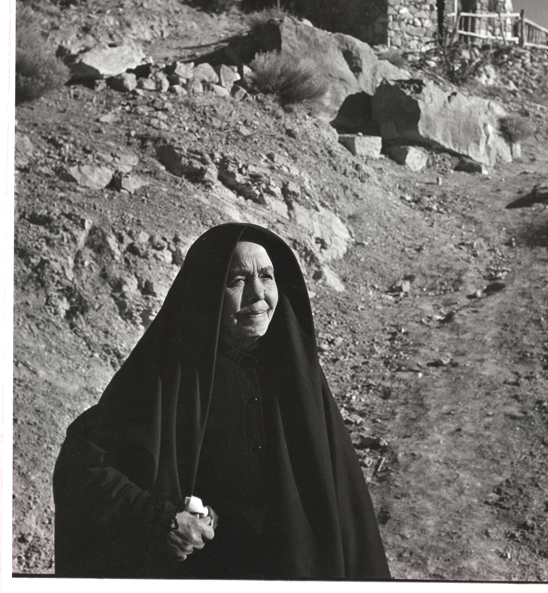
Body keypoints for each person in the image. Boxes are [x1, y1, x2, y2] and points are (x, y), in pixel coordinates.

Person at [53, 223, 391, 579]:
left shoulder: (296, 378)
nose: (258, 295)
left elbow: (344, 510)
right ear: (206, 290)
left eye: (267, 276)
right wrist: (162, 518)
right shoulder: (166, 377)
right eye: (237, 281)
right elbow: (83, 467)